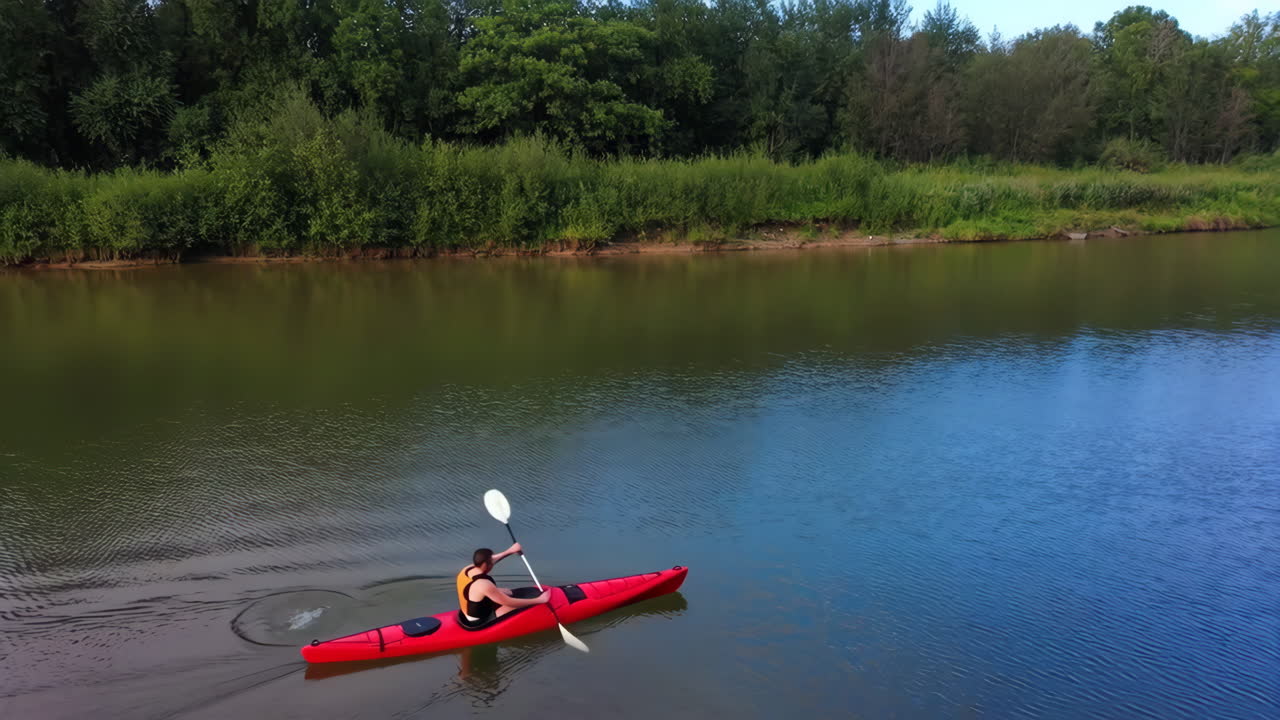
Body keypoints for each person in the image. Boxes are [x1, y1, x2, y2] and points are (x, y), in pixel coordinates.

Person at [456, 544, 549, 625]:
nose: (493, 563)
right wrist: (539, 600)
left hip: (471, 609)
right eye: (491, 562)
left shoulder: (468, 569)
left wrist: (510, 551)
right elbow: (509, 602)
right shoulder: (483, 584)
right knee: (518, 604)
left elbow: (490, 560)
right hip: (479, 619)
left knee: (507, 591)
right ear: (486, 564)